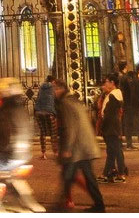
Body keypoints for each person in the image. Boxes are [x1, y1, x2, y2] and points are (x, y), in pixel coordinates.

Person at [55, 81, 105, 212]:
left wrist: (67, 148)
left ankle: (61, 206)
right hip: (85, 145)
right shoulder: (74, 100)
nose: (54, 93)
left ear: (61, 89)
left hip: (78, 147)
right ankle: (99, 205)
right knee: (87, 177)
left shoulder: (65, 103)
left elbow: (71, 127)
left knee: (68, 175)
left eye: (55, 89)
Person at [96, 75, 125, 183]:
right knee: (114, 151)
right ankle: (112, 173)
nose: (105, 84)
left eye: (107, 82)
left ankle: (113, 173)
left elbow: (109, 115)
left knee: (114, 151)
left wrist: (103, 125)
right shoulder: (113, 95)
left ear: (112, 83)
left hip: (111, 128)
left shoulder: (113, 96)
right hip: (113, 127)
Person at [120, 62, 139, 151]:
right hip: (130, 104)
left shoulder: (125, 77)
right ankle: (130, 144)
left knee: (129, 124)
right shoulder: (128, 79)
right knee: (132, 124)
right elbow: (132, 92)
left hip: (128, 104)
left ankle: (129, 143)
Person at [33, 75, 59, 158]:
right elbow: (56, 99)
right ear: (53, 81)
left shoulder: (41, 87)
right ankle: (55, 152)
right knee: (53, 132)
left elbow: (38, 99)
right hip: (49, 112)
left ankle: (43, 153)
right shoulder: (53, 87)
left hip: (39, 112)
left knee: (42, 132)